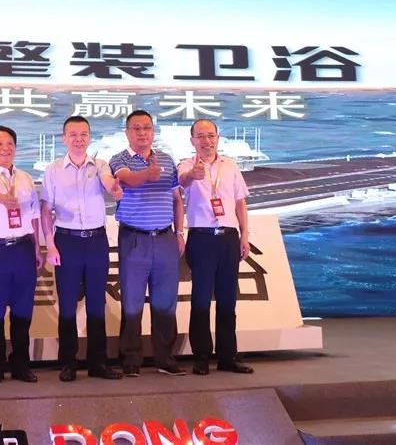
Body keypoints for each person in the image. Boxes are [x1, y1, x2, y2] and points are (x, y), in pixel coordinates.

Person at [41, 115, 124, 382]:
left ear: (89, 137)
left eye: (83, 134)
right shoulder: (53, 170)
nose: (79, 139)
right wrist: (50, 245)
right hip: (67, 241)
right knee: (67, 304)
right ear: (64, 138)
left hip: (96, 241)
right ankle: (68, 363)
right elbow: (46, 210)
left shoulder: (99, 165)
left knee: (97, 303)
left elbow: (110, 184)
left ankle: (98, 362)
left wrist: (115, 188)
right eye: (73, 135)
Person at [109, 110, 186, 377]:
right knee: (132, 301)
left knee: (165, 301)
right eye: (136, 128)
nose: (142, 133)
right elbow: (128, 179)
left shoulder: (166, 159)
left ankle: (165, 358)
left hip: (165, 237)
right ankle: (131, 359)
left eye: (147, 128)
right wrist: (148, 174)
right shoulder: (119, 159)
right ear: (127, 132)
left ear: (153, 131)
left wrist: (179, 232)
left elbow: (177, 199)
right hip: (134, 238)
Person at [178, 119, 254, 375]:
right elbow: (182, 181)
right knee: (200, 300)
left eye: (210, 135)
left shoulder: (230, 166)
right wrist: (193, 175)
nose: (206, 141)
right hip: (202, 238)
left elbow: (240, 202)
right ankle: (201, 357)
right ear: (192, 140)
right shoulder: (186, 165)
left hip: (228, 238)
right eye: (200, 136)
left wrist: (244, 236)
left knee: (227, 300)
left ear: (218, 138)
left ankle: (227, 357)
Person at [0, 125, 43, 384]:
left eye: (10, 143)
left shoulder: (25, 178)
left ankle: (21, 364)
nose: (5, 148)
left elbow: (34, 216)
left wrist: (37, 247)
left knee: (23, 310)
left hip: (23, 249)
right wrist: (4, 199)